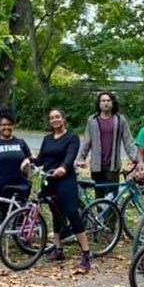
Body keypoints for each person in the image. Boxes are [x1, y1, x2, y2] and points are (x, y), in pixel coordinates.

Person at [32, 108, 92, 273]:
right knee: (55, 213)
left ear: (63, 119)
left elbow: (70, 156)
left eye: (58, 117)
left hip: (65, 179)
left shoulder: (71, 137)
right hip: (49, 179)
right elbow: (40, 159)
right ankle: (58, 249)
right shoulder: (47, 139)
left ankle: (86, 253)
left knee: (72, 212)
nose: (55, 120)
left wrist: (63, 168)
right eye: (52, 118)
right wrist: (27, 160)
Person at [0, 108, 31, 254]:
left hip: (20, 186)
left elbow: (29, 159)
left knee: (20, 215)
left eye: (9, 124)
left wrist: (29, 178)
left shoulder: (21, 143)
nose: (6, 127)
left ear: (13, 126)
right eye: (3, 125)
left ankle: (22, 241)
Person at [76, 91, 141, 199]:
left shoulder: (120, 120)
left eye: (108, 100)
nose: (105, 103)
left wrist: (136, 159)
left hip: (113, 165)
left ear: (112, 103)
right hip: (96, 166)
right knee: (99, 197)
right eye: (103, 100)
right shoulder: (92, 120)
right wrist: (81, 158)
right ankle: (100, 216)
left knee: (111, 197)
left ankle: (112, 216)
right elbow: (87, 141)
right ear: (99, 103)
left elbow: (128, 141)